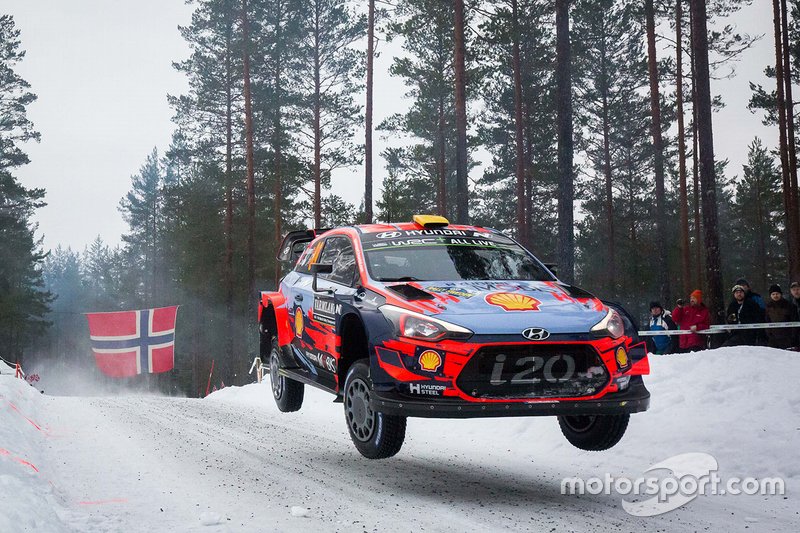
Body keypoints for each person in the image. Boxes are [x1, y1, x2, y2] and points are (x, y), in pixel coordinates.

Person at [765, 284, 799, 349]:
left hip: (787, 339)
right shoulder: (768, 306)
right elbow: (767, 321)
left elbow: (794, 322)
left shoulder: (790, 306)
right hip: (773, 339)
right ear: (770, 295)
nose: (775, 296)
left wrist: (793, 336)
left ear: (781, 294)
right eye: (773, 294)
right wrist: (769, 334)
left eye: (777, 294)